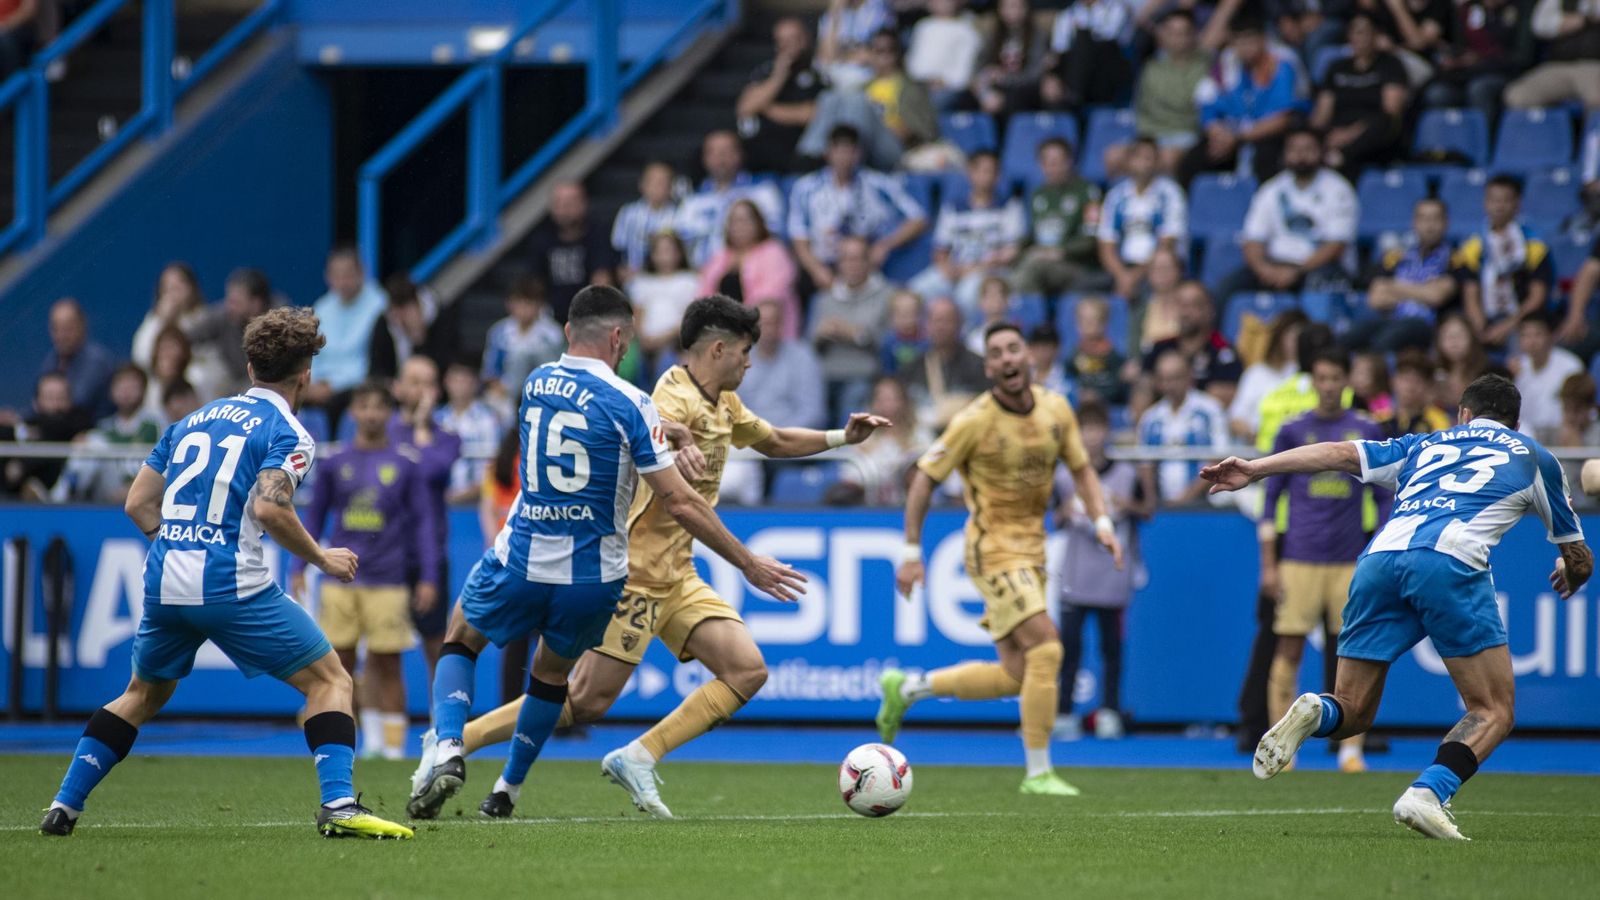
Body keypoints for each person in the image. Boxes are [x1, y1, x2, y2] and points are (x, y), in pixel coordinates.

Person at [422, 296, 887, 819]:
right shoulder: (671, 393)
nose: (749, 362)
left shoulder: (725, 404)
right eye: (745, 352)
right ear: (718, 348)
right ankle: (455, 740)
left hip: (677, 573)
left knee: (747, 671)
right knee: (583, 701)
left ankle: (639, 756)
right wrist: (680, 445)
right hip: (634, 577)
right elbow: (657, 433)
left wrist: (840, 438)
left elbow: (774, 440)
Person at [38, 307, 413, 839]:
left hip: (165, 576)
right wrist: (321, 557)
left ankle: (63, 806)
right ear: (305, 371)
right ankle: (339, 806)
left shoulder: (193, 418)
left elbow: (138, 503)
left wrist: (177, 544)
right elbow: (269, 509)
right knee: (331, 680)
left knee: (141, 695)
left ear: (248, 364)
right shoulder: (290, 432)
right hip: (230, 581)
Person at [1203, 374, 1593, 840]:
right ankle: (1429, 792)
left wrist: (1255, 468)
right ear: (1516, 420)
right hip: (1449, 561)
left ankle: (1314, 709)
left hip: (1377, 561)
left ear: (1463, 415)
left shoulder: (1425, 443)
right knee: (1493, 710)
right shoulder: (1533, 456)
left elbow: (1341, 452)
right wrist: (1573, 572)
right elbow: (1578, 557)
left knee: (1353, 711)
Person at [879, 322, 1124, 796]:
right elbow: (924, 479)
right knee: (1049, 649)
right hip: (991, 549)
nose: (1008, 359)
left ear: (1027, 356)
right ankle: (1038, 773)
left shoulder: (1056, 409)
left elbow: (1081, 470)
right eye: (996, 354)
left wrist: (1103, 524)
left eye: (1014, 349)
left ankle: (908, 688)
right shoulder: (974, 420)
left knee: (1017, 675)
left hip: (1032, 550)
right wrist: (911, 552)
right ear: (989, 368)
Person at [1258, 349, 1387, 775]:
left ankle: (1350, 750)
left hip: (1349, 560)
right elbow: (1270, 499)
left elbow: (1384, 495)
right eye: (1322, 378)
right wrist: (1269, 565)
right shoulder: (1293, 430)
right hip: (1299, 557)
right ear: (1313, 381)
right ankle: (1284, 748)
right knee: (1289, 647)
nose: (1329, 386)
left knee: (1354, 655)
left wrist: (1380, 547)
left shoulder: (1365, 430)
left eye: (1336, 378)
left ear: (1346, 380)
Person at [294, 382, 437, 761]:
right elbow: (312, 517)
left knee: (387, 662)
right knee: (338, 665)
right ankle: (359, 742)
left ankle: (392, 748)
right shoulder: (335, 461)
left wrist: (428, 577)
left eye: (378, 406)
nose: (371, 413)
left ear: (389, 413)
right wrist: (298, 566)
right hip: (341, 579)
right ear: (353, 412)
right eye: (364, 405)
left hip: (388, 578)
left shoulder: (406, 463)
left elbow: (423, 523)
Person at [1053, 399, 1149, 741]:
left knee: (1111, 649)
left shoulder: (1125, 475)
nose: (1090, 437)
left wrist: (1128, 506)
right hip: (1076, 575)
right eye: (1084, 429)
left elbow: (1147, 510)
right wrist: (1065, 511)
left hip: (1113, 575)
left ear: (1106, 431)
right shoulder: (1065, 475)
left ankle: (1109, 710)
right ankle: (1064, 713)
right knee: (1069, 647)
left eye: (1096, 428)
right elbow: (1054, 516)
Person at [1217, 128, 1357, 303]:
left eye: (1308, 149)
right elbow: (1252, 240)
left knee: (1318, 285)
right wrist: (1264, 269)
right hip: (1274, 264)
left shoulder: (1338, 189)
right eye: (1294, 149)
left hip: (1318, 267)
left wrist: (1297, 272)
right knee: (1227, 287)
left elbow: (1336, 245)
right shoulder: (1271, 189)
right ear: (1285, 154)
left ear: (1321, 151)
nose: (1300, 155)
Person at [788, 125, 928, 293]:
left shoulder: (879, 184)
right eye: (838, 150)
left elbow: (918, 219)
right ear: (827, 152)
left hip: (870, 266)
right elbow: (799, 237)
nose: (843, 157)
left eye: (849, 150)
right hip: (826, 265)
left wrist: (885, 245)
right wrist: (816, 270)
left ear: (858, 153)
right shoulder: (806, 187)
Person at [390, 357, 462, 677]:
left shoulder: (447, 438)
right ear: (399, 387)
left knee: (437, 646)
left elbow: (431, 470)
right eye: (415, 382)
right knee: (382, 652)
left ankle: (441, 723)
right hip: (386, 554)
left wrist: (420, 427)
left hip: (428, 556)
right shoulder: (384, 430)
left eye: (429, 383)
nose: (422, 390)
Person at [1180, 18, 1310, 186]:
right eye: (1239, 40)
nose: (1245, 46)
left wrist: (1238, 137)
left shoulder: (1282, 61)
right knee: (1193, 161)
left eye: (1250, 39)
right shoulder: (1226, 62)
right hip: (1231, 134)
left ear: (1263, 39)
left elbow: (1283, 118)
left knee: (1266, 157)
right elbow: (1207, 105)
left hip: (1269, 135)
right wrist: (1217, 132)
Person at [800, 28, 938, 171]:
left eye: (890, 50)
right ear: (870, 54)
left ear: (898, 53)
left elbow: (926, 130)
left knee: (858, 102)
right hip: (862, 139)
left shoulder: (912, 87)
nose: (885, 56)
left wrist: (886, 124)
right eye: (878, 50)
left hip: (895, 149)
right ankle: (810, 156)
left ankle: (848, 160)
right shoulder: (863, 86)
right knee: (830, 97)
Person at [910, 150, 1026, 314]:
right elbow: (940, 250)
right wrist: (946, 268)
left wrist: (973, 269)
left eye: (991, 171)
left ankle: (966, 338)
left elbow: (1011, 252)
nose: (986, 176)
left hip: (990, 273)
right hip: (955, 270)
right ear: (970, 172)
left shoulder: (1009, 207)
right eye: (981, 170)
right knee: (914, 292)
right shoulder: (953, 208)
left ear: (998, 175)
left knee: (966, 295)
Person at [1454, 174, 1554, 351]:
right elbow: (1471, 294)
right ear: (1485, 203)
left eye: (1506, 200)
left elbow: (1537, 297)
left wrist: (1507, 326)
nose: (1499, 206)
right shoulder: (1472, 246)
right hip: (1486, 320)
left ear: (1517, 203)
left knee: (1525, 339)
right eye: (1493, 200)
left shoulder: (1534, 246)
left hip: (1520, 320)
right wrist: (1480, 327)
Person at [1111, 10, 1209, 178]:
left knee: (1168, 158)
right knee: (1113, 156)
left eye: (1182, 33)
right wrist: (1146, 141)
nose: (1177, 39)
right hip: (1150, 134)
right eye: (1171, 33)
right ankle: (1129, 201)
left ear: (1193, 35)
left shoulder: (1206, 67)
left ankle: (1168, 201)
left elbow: (1186, 103)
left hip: (1185, 134)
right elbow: (1142, 105)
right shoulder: (1152, 67)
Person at [1351, 198, 1457, 353]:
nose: (1429, 226)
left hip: (1428, 327)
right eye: (1424, 219)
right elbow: (1375, 299)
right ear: (1414, 222)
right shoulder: (1398, 258)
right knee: (1353, 335)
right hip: (1393, 321)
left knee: (1385, 341)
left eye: (1435, 219)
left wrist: (1393, 288)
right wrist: (1423, 292)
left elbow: (1437, 296)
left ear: (1446, 222)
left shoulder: (1455, 259)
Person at [1310, 14, 1409, 176]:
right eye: (1356, 32)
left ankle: (1339, 158)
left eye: (1365, 32)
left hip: (1372, 131)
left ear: (1376, 36)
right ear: (1349, 36)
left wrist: (1350, 134)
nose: (1360, 38)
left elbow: (1391, 109)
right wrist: (1319, 136)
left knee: (1385, 122)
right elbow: (1322, 113)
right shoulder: (1336, 67)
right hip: (1337, 131)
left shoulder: (1390, 64)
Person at [811, 234, 895, 421]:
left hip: (863, 375)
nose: (852, 265)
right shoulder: (825, 299)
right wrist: (820, 335)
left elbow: (886, 342)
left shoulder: (886, 295)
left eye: (857, 259)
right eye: (846, 259)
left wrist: (851, 333)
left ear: (868, 261)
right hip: (825, 376)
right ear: (839, 263)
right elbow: (810, 346)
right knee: (810, 410)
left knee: (849, 411)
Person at [53, 364, 164, 504]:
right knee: (90, 443)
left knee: (95, 443)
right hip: (110, 488)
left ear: (143, 390)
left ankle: (57, 497)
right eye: (122, 387)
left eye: (132, 387)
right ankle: (60, 498)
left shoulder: (156, 423)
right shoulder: (104, 427)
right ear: (112, 391)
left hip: (144, 488)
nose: (126, 393)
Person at [674, 130, 787, 267]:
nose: (720, 158)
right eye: (713, 152)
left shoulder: (763, 191)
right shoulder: (692, 201)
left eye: (727, 150)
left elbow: (775, 236)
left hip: (755, 273)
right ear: (704, 158)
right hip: (702, 278)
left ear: (740, 154)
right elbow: (679, 244)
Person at [1013, 138, 1108, 300]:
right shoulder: (1039, 194)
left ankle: (1030, 321)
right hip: (1042, 260)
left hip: (1076, 265)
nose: (1052, 168)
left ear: (1069, 162)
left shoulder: (1088, 193)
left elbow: (1092, 239)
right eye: (1047, 163)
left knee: (1032, 267)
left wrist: (1060, 252)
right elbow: (1032, 235)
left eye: (1057, 162)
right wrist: (1016, 248)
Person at [1098, 137, 1189, 300]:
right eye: (1139, 157)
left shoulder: (1170, 193)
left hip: (1159, 268)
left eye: (1149, 158)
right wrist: (1122, 276)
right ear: (1129, 161)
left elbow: (1166, 244)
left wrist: (1134, 277)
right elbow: (1106, 245)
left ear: (1157, 162)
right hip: (1123, 267)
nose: (1144, 163)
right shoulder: (1116, 195)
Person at [306, 248, 388, 429]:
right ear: (327, 276)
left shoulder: (380, 306)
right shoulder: (322, 306)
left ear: (362, 273)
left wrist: (332, 386)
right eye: (336, 276)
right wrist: (312, 382)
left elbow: (373, 361)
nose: (342, 282)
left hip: (358, 385)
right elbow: (313, 353)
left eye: (348, 275)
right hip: (320, 384)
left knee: (336, 405)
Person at [696, 199, 801, 338]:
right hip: (723, 329)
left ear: (758, 223)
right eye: (734, 221)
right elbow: (704, 295)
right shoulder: (720, 256)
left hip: (760, 329)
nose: (739, 226)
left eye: (745, 220)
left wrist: (734, 319)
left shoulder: (773, 251)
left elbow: (772, 294)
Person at [1138, 349, 1231, 504]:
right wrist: (1152, 501)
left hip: (1206, 505)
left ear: (1189, 376)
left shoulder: (1211, 410)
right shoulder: (1150, 418)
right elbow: (1145, 464)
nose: (1169, 385)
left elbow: (1219, 458)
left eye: (1175, 378)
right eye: (1164, 379)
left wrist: (1186, 498)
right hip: (1164, 506)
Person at [736, 16, 825, 174]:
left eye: (793, 39)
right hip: (760, 158)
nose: (787, 45)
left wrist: (765, 107)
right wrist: (778, 77)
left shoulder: (818, 73)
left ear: (805, 40)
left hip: (799, 157)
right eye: (782, 40)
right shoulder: (766, 71)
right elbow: (745, 108)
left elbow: (809, 114)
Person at [1425, 0, 1534, 126]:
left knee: (1479, 89)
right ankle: (1441, 143)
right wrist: (1454, 58)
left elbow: (1522, 57)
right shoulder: (1467, 9)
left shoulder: (1520, 8)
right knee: (1437, 93)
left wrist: (1481, 60)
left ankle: (1480, 142)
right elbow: (1459, 46)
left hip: (1503, 73)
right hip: (1466, 74)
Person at [527, 183, 619, 324]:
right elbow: (535, 282)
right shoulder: (541, 237)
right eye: (559, 203)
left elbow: (602, 280)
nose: (564, 209)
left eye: (570, 203)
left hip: (588, 315)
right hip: (551, 315)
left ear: (583, 204)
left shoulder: (597, 233)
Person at [1142, 281, 1244, 407]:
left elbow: (1222, 399)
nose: (1185, 313)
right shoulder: (1159, 348)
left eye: (1193, 305)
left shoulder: (1223, 352)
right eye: (1181, 305)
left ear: (1209, 310)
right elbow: (1141, 396)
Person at [900, 296, 990, 428]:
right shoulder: (913, 368)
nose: (940, 327)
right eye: (935, 321)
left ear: (959, 324)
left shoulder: (979, 366)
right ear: (926, 325)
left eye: (947, 321)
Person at [186, 268, 275, 398]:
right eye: (229, 300)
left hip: (272, 389)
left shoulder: (279, 323)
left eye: (236, 302)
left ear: (256, 304)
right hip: (234, 387)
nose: (229, 307)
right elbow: (184, 339)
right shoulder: (223, 316)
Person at [131, 263, 216, 396]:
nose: (173, 292)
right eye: (167, 287)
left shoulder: (205, 318)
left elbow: (211, 363)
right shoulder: (154, 320)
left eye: (179, 286)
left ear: (192, 288)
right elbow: (140, 357)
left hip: (198, 389)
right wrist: (161, 320)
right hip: (161, 389)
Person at [481, 276, 565, 407]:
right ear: (509, 304)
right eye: (519, 302)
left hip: (546, 390)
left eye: (529, 303)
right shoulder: (498, 332)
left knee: (527, 354)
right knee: (493, 400)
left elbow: (562, 368)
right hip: (508, 390)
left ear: (539, 305)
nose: (524, 308)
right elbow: (490, 372)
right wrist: (500, 388)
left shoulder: (553, 332)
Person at [1502, 0, 1600, 111]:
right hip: (1556, 66)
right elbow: (1539, 26)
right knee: (1517, 96)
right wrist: (1579, 20)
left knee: (1596, 99)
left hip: (1592, 66)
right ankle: (1555, 124)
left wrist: (1588, 13)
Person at [1230, 309, 1309, 442]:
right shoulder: (1256, 373)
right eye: (1292, 337)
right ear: (1279, 337)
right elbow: (1236, 419)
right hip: (1260, 450)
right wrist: (1254, 435)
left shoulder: (1310, 376)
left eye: (1302, 337)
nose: (1297, 343)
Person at [1041, 0, 1134, 109]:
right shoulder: (1066, 15)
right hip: (1077, 72)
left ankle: (1075, 94)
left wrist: (1082, 32)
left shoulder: (1116, 9)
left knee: (1085, 40)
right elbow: (1060, 49)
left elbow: (1110, 36)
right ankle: (1073, 95)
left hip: (1109, 71)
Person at [629, 231, 700, 372]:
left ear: (679, 253)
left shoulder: (690, 281)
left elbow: (688, 318)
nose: (664, 256)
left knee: (667, 363)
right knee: (634, 364)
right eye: (659, 251)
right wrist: (644, 339)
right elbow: (637, 314)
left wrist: (662, 339)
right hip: (644, 342)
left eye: (668, 250)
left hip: (675, 343)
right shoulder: (642, 281)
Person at [436, 360, 505, 504]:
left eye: (465, 380)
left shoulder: (490, 419)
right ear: (446, 382)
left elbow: (494, 465)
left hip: (479, 502)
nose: (459, 386)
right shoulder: (436, 419)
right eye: (455, 380)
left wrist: (469, 493)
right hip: (440, 500)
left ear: (475, 384)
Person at [1510, 313, 1584, 441]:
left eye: (1537, 334)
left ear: (1551, 336)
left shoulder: (1570, 365)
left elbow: (1579, 406)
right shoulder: (1515, 368)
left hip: (1561, 431)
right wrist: (1510, 379)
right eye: (1525, 335)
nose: (1531, 341)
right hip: (1525, 434)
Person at [40, 298, 117, 420]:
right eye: (56, 329)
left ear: (82, 326)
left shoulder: (96, 360)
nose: (62, 335)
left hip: (95, 431)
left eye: (67, 328)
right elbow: (39, 400)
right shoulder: (51, 359)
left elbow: (75, 403)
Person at [368, 275, 455, 381]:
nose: (399, 321)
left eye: (404, 313)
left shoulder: (442, 318)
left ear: (417, 305)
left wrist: (418, 337)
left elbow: (446, 365)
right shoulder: (384, 322)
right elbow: (377, 367)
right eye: (396, 314)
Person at [972, 0, 1051, 118]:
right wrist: (985, 95)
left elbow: (1035, 74)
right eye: (1008, 6)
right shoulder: (993, 35)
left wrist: (1005, 78)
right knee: (965, 99)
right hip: (995, 89)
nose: (1013, 11)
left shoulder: (1038, 35)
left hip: (1024, 89)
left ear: (1026, 8)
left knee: (1012, 99)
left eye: (1017, 6)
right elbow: (978, 67)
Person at [906, 0, 984, 109]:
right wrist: (925, 79)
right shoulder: (923, 27)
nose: (942, 3)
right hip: (920, 84)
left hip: (949, 89)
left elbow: (964, 70)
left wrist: (945, 82)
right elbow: (913, 63)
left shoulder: (967, 30)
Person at [610, 160, 679, 278]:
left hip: (668, 277)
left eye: (663, 182)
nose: (658, 186)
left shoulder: (679, 214)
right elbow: (617, 247)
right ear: (642, 184)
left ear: (671, 187)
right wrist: (620, 270)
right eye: (653, 181)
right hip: (632, 277)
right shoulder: (628, 213)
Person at [1065, 295, 1131, 406]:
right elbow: (1067, 381)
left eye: (1093, 320)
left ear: (1104, 323)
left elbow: (1117, 385)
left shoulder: (1112, 355)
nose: (1087, 324)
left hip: (1105, 406)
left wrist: (1098, 396)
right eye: (1083, 320)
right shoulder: (1074, 355)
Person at [1382, 353, 1453, 437]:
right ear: (1393, 381)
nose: (1410, 387)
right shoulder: (1379, 419)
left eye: (1417, 381)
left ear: (1428, 386)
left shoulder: (1439, 420)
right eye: (1405, 380)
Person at [1433, 313, 1491, 413]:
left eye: (1459, 335)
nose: (1454, 342)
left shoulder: (1485, 374)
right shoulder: (1432, 374)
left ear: (1471, 338)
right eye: (1449, 336)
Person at [144, 326, 195, 422]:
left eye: (173, 347)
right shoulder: (147, 386)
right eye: (164, 347)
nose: (168, 353)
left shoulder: (195, 380)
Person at [881, 289, 929, 376]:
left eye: (912, 314)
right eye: (901, 315)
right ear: (892, 317)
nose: (907, 320)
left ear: (920, 315)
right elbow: (887, 371)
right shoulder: (888, 342)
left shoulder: (927, 340)